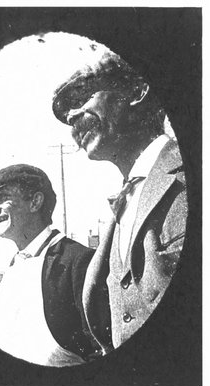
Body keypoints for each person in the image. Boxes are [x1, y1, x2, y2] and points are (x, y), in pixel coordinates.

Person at [52, 48, 188, 354]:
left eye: (82, 99)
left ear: (137, 91)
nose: (73, 117)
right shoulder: (121, 206)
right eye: (68, 113)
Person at [0, 164, 107, 367]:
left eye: (3, 198)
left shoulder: (77, 260)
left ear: (35, 202)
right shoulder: (15, 265)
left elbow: (100, 349)